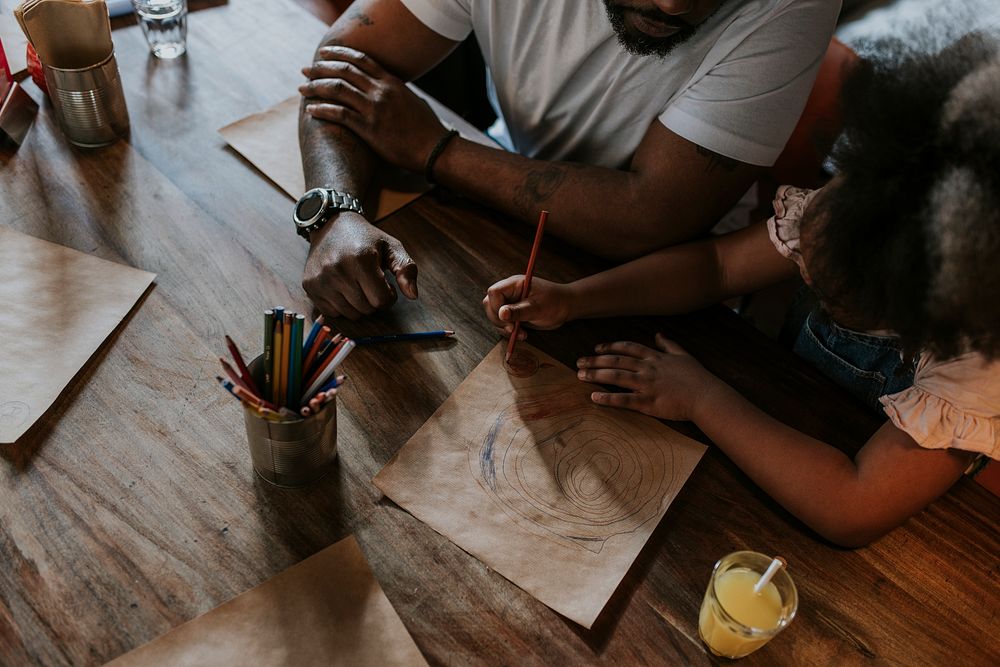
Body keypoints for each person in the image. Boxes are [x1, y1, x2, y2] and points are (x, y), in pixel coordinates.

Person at [482, 35, 1000, 547]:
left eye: (834, 300)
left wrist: (701, 398)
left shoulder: (978, 360)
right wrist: (576, 298)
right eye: (804, 266)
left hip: (882, 515)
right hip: (786, 421)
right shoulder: (870, 203)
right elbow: (715, 266)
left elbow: (851, 505)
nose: (806, 279)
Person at [296, 0, 841, 319]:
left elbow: (650, 216)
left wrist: (435, 149)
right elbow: (347, 64)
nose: (673, 4)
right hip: (496, 192)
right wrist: (336, 215)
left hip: (663, 280)